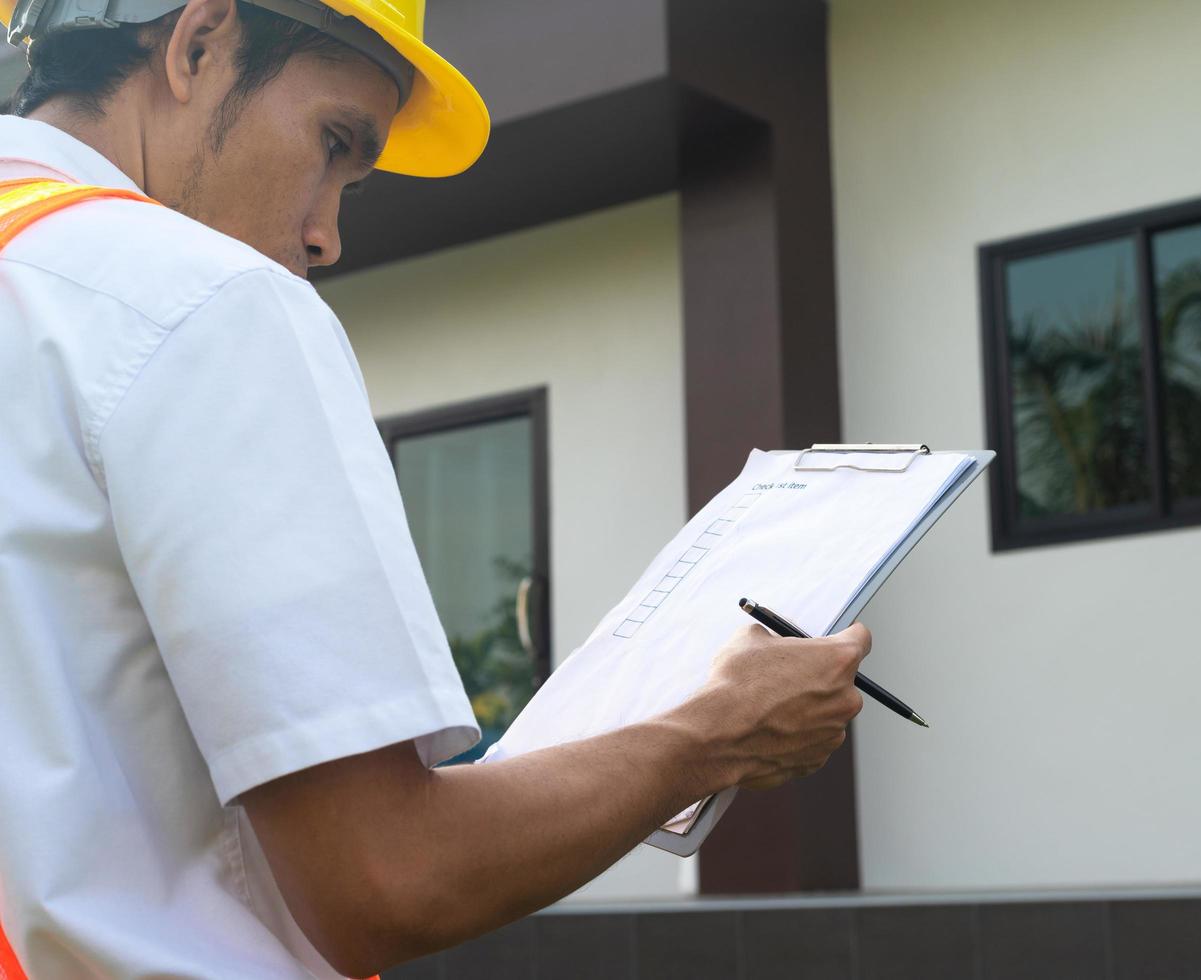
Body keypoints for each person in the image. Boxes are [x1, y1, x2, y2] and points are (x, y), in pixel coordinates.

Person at [0, 1, 871, 977]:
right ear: (199, 40)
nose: (326, 233)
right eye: (334, 143)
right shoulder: (208, 301)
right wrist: (711, 734)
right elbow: (387, 876)